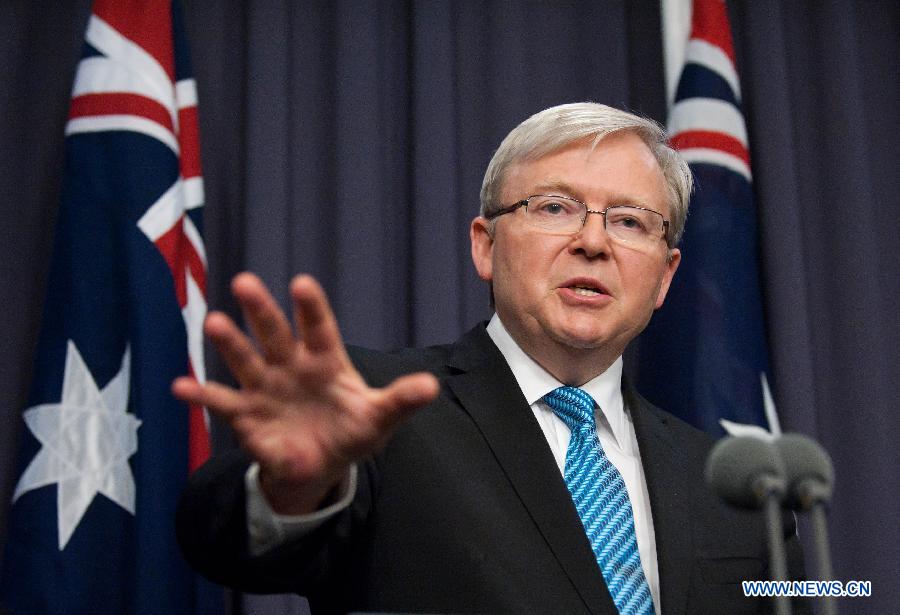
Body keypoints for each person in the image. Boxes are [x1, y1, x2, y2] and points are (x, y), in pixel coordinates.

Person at [174, 102, 806, 614]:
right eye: (555, 208)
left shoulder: (732, 482)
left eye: (631, 222)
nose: (592, 241)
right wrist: (293, 486)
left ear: (665, 277)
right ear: (486, 246)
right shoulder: (375, 410)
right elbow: (220, 542)